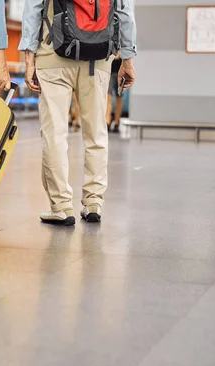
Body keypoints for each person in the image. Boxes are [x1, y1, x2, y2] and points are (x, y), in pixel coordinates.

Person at [19, 0, 137, 225]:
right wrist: (128, 60)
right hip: (98, 57)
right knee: (96, 133)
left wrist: (29, 57)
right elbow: (125, 13)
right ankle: (93, 202)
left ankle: (61, 206)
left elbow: (33, 7)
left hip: (53, 54)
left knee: (54, 133)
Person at [106, 52, 124, 133]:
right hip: (109, 71)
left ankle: (117, 122)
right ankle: (107, 121)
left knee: (119, 97)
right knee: (108, 96)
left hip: (120, 71)